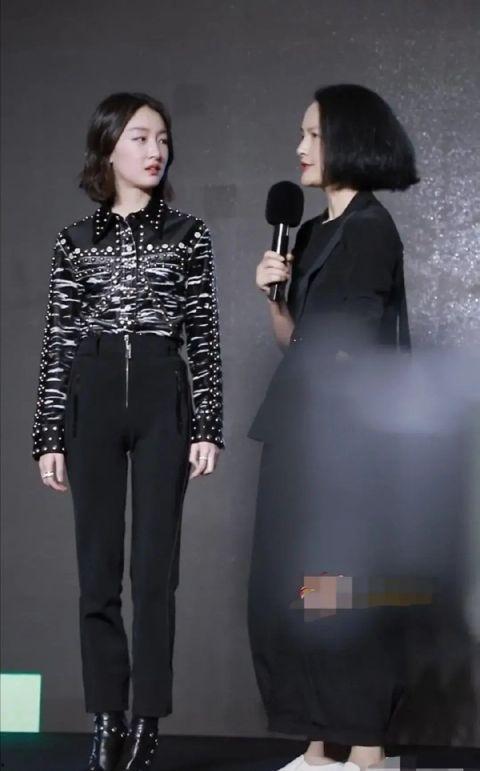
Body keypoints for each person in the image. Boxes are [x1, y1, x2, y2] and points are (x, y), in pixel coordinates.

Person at [32, 92, 224, 771]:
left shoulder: (188, 234)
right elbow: (59, 342)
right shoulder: (74, 241)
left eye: (163, 138)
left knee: (154, 572)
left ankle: (147, 722)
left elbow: (203, 334)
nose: (155, 150)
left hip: (161, 395)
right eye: (140, 137)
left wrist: (208, 423)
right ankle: (106, 718)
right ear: (108, 147)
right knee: (97, 574)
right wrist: (48, 434)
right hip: (91, 398)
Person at [248, 84, 418, 770]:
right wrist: (274, 300)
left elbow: (354, 347)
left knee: (342, 587)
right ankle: (319, 742)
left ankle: (366, 749)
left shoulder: (371, 229)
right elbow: (296, 344)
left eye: (313, 135)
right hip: (302, 426)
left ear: (350, 140)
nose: (300, 147)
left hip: (345, 440)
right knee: (299, 588)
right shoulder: (314, 231)